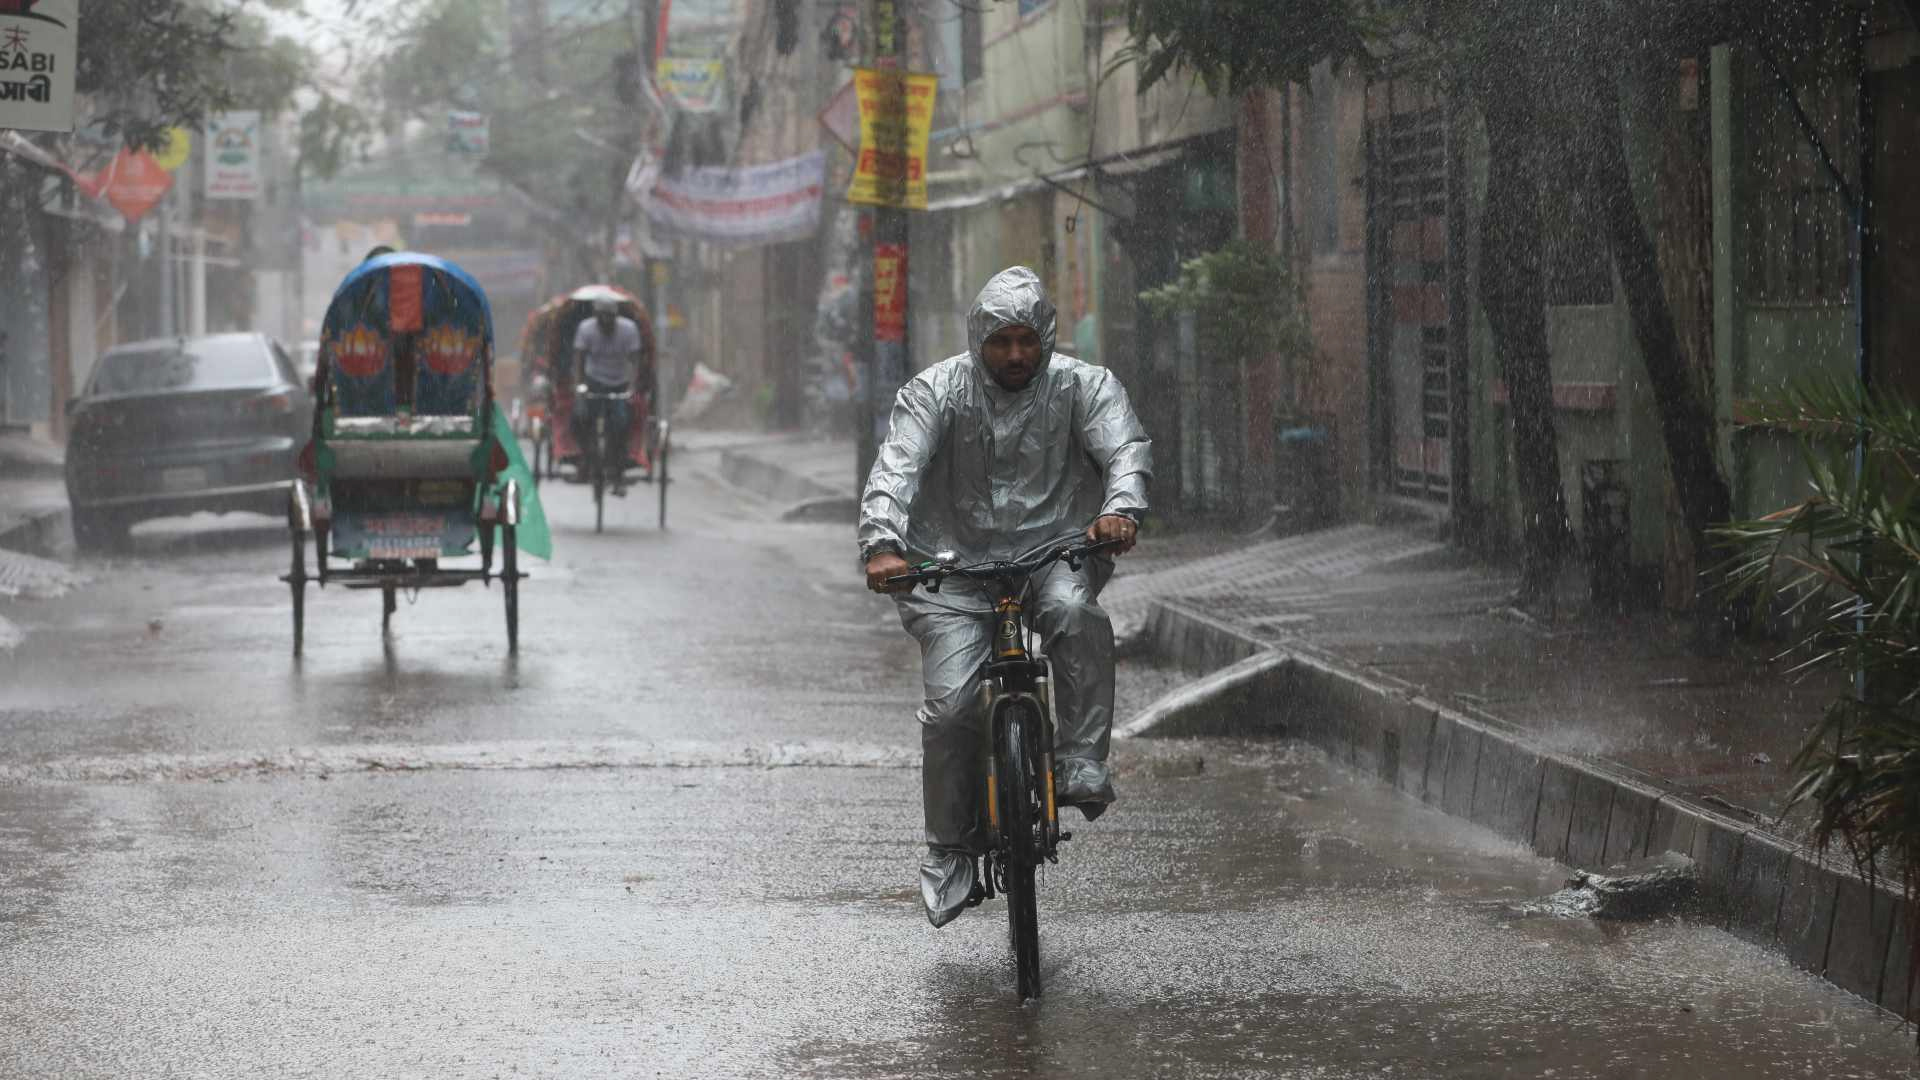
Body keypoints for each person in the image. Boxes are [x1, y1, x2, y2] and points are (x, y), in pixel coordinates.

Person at [859, 266, 1152, 928]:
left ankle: (1079, 759)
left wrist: (1121, 508)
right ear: (977, 341)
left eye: (1026, 341)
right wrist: (882, 543)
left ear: (1045, 337)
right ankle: (950, 847)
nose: (1015, 355)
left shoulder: (1086, 387)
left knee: (1076, 615)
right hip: (951, 567)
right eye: (1000, 342)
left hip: (1054, 555)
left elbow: (1125, 449)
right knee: (953, 707)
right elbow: (895, 470)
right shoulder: (934, 392)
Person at [571, 296, 644, 494]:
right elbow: (579, 359)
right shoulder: (586, 329)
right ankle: (587, 457)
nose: (606, 321)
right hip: (594, 381)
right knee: (579, 419)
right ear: (596, 316)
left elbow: (635, 361)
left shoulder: (628, 330)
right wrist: (579, 387)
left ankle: (618, 472)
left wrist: (633, 387)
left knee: (621, 424)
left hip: (620, 383)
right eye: (602, 317)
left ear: (615, 316)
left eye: (609, 317)